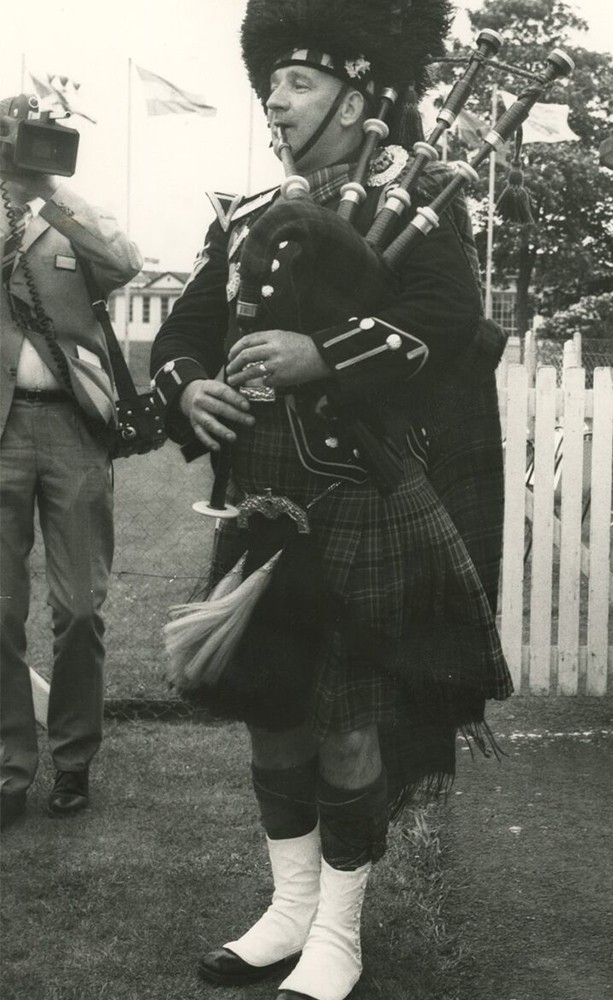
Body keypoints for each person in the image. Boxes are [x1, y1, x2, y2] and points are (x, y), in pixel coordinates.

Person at [149, 2, 512, 998]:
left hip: (359, 501)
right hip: (260, 507)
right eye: (274, 81)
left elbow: (446, 324)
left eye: (299, 81)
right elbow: (178, 331)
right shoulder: (244, 214)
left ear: (361, 97)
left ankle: (340, 933)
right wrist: (189, 386)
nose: (274, 98)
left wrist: (324, 354)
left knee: (351, 727)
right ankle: (289, 910)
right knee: (273, 710)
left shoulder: (422, 205)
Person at [0, 95, 142, 830]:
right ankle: (8, 769)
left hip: (72, 430)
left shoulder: (68, 215)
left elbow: (123, 263)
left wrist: (50, 192)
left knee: (80, 609)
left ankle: (74, 761)